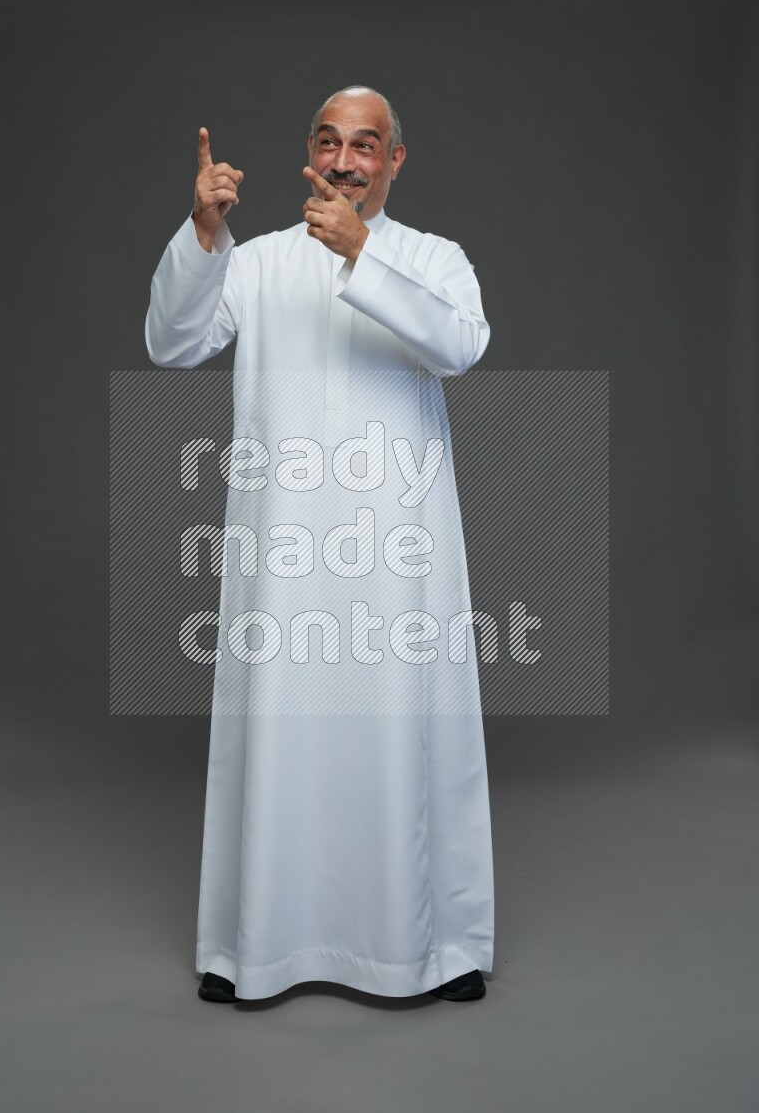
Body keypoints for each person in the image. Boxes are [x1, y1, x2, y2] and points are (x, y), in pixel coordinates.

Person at [145, 86, 494, 1003]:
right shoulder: (255, 262)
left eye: (366, 146)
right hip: (286, 553)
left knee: (403, 731)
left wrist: (365, 257)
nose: (346, 161)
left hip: (396, 555)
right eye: (331, 142)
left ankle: (433, 947)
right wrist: (203, 234)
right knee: (282, 731)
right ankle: (256, 946)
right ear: (309, 148)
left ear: (396, 161)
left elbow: (460, 346)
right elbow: (173, 344)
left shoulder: (431, 257)